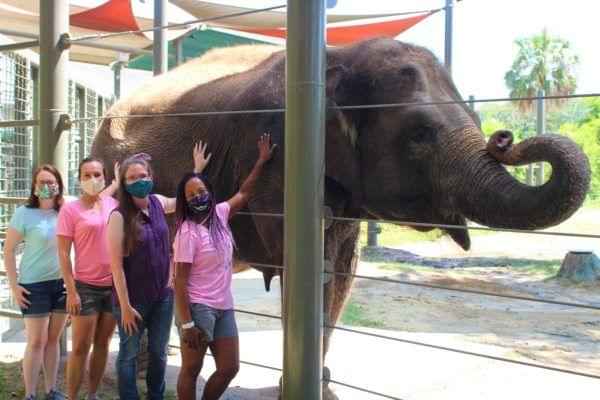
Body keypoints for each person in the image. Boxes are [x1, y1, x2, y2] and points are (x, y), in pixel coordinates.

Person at [173, 133, 276, 400]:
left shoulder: (219, 214)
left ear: (210, 191)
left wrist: (262, 161)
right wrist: (187, 324)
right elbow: (180, 283)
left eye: (202, 191)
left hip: (223, 307)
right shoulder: (187, 233)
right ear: (185, 202)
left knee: (229, 367)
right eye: (192, 195)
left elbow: (245, 191)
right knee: (192, 368)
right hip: (198, 308)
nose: (198, 197)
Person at [107, 143, 211, 400]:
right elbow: (116, 265)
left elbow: (182, 199)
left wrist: (196, 170)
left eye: (143, 176)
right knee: (129, 355)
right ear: (124, 182)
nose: (138, 181)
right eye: (132, 178)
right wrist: (125, 305)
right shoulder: (118, 216)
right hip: (132, 301)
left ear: (151, 177)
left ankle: (156, 396)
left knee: (159, 352)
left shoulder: (156, 202)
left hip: (163, 297)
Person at [4, 165, 70, 400]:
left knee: (54, 339)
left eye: (51, 182)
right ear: (34, 186)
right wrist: (14, 285)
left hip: (62, 284)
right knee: (37, 340)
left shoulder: (66, 209)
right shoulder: (24, 213)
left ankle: (51, 389)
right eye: (42, 182)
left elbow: (96, 200)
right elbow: (9, 250)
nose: (47, 186)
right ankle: (29, 394)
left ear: (59, 185)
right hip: (34, 285)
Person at [56, 158, 119, 400]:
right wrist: (71, 291)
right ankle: (72, 397)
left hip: (113, 286)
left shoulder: (112, 204)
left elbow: (109, 194)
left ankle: (92, 395)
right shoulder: (70, 210)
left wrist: (114, 183)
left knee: (103, 343)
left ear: (103, 178)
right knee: (81, 347)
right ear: (80, 179)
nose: (93, 179)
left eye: (97, 174)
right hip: (86, 287)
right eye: (87, 175)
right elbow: (63, 252)